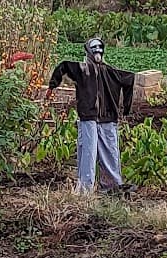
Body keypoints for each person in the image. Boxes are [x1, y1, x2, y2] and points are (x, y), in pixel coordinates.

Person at [47, 36, 136, 193]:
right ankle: (85, 189)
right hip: (90, 117)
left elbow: (129, 79)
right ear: (89, 51)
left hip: (107, 117)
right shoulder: (83, 69)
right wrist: (52, 85)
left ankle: (112, 186)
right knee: (90, 153)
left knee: (108, 152)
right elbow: (64, 66)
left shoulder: (109, 72)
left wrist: (126, 107)